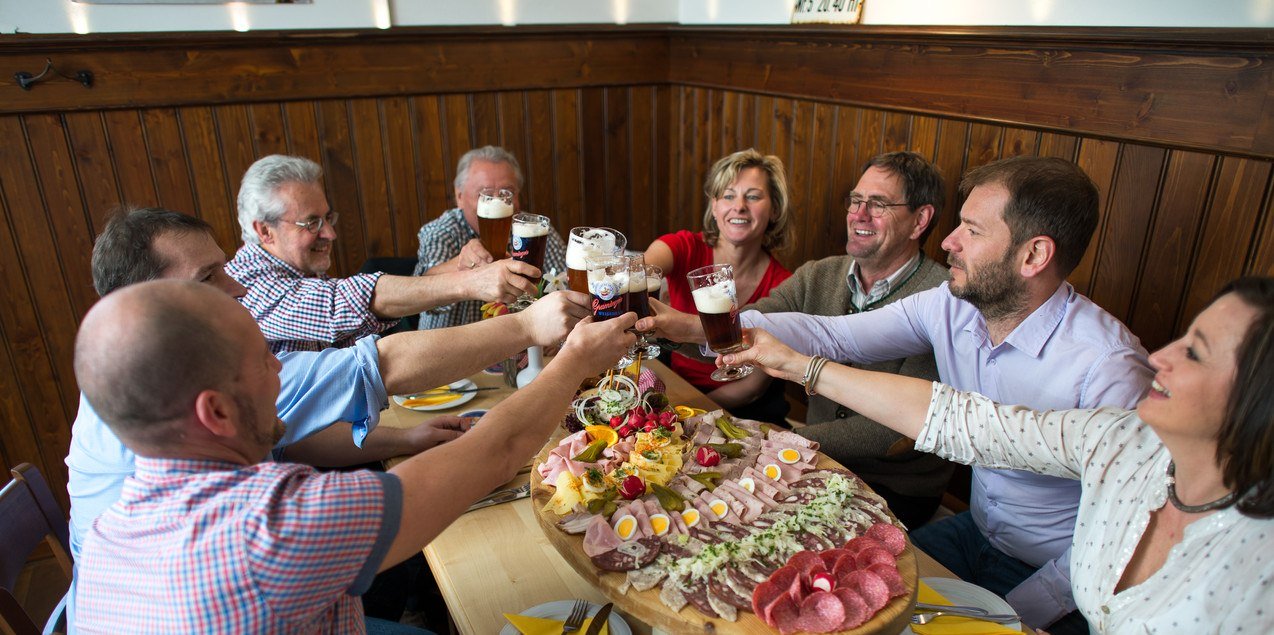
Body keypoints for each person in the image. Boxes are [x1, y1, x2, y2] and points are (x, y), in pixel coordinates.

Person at [639, 156, 1153, 634]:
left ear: (1034, 254)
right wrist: (699, 327)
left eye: (971, 231)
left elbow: (1115, 547)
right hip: (976, 530)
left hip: (1052, 576)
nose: (948, 241)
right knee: (830, 597)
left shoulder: (1108, 365)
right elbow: (835, 335)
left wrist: (1014, 614)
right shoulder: (953, 305)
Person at [72, 279, 635, 633]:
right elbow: (498, 452)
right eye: (266, 361)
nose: (280, 371)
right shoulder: (272, 531)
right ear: (215, 413)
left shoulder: (103, 535)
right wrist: (575, 360)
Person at [723, 275, 1274, 633]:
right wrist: (800, 366)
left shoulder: (1259, 563)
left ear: (1258, 399)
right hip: (979, 534)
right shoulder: (1124, 443)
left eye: (1195, 353)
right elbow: (967, 423)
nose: (1160, 356)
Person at [68, 207, 589, 557]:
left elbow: (284, 436)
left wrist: (402, 439)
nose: (236, 287)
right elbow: (379, 368)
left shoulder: (135, 393)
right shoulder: (259, 524)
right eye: (207, 279)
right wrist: (531, 329)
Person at [725, 151, 951, 529]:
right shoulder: (820, 274)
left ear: (920, 221)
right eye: (856, 200)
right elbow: (752, 326)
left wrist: (785, 440)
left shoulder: (942, 298)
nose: (859, 215)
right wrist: (679, 328)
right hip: (817, 462)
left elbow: (892, 432)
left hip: (895, 488)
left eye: (878, 204)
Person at [228, 154, 540, 352]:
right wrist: (472, 283)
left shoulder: (300, 274)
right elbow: (338, 305)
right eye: (311, 222)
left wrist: (405, 437)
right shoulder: (246, 286)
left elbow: (358, 348)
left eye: (327, 218)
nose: (330, 234)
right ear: (264, 230)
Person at [642, 148, 793, 422]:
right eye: (728, 195)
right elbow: (643, 270)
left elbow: (752, 388)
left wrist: (692, 413)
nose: (739, 207)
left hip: (742, 411)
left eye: (754, 196)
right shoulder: (683, 247)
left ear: (774, 209)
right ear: (714, 206)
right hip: (676, 389)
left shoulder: (784, 284)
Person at [414, 146, 568, 329]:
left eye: (507, 192)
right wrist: (461, 265)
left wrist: (555, 324)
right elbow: (423, 293)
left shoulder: (533, 229)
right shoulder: (442, 231)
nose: (498, 201)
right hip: (450, 351)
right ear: (459, 196)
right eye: (484, 194)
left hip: (514, 351)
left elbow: (564, 282)